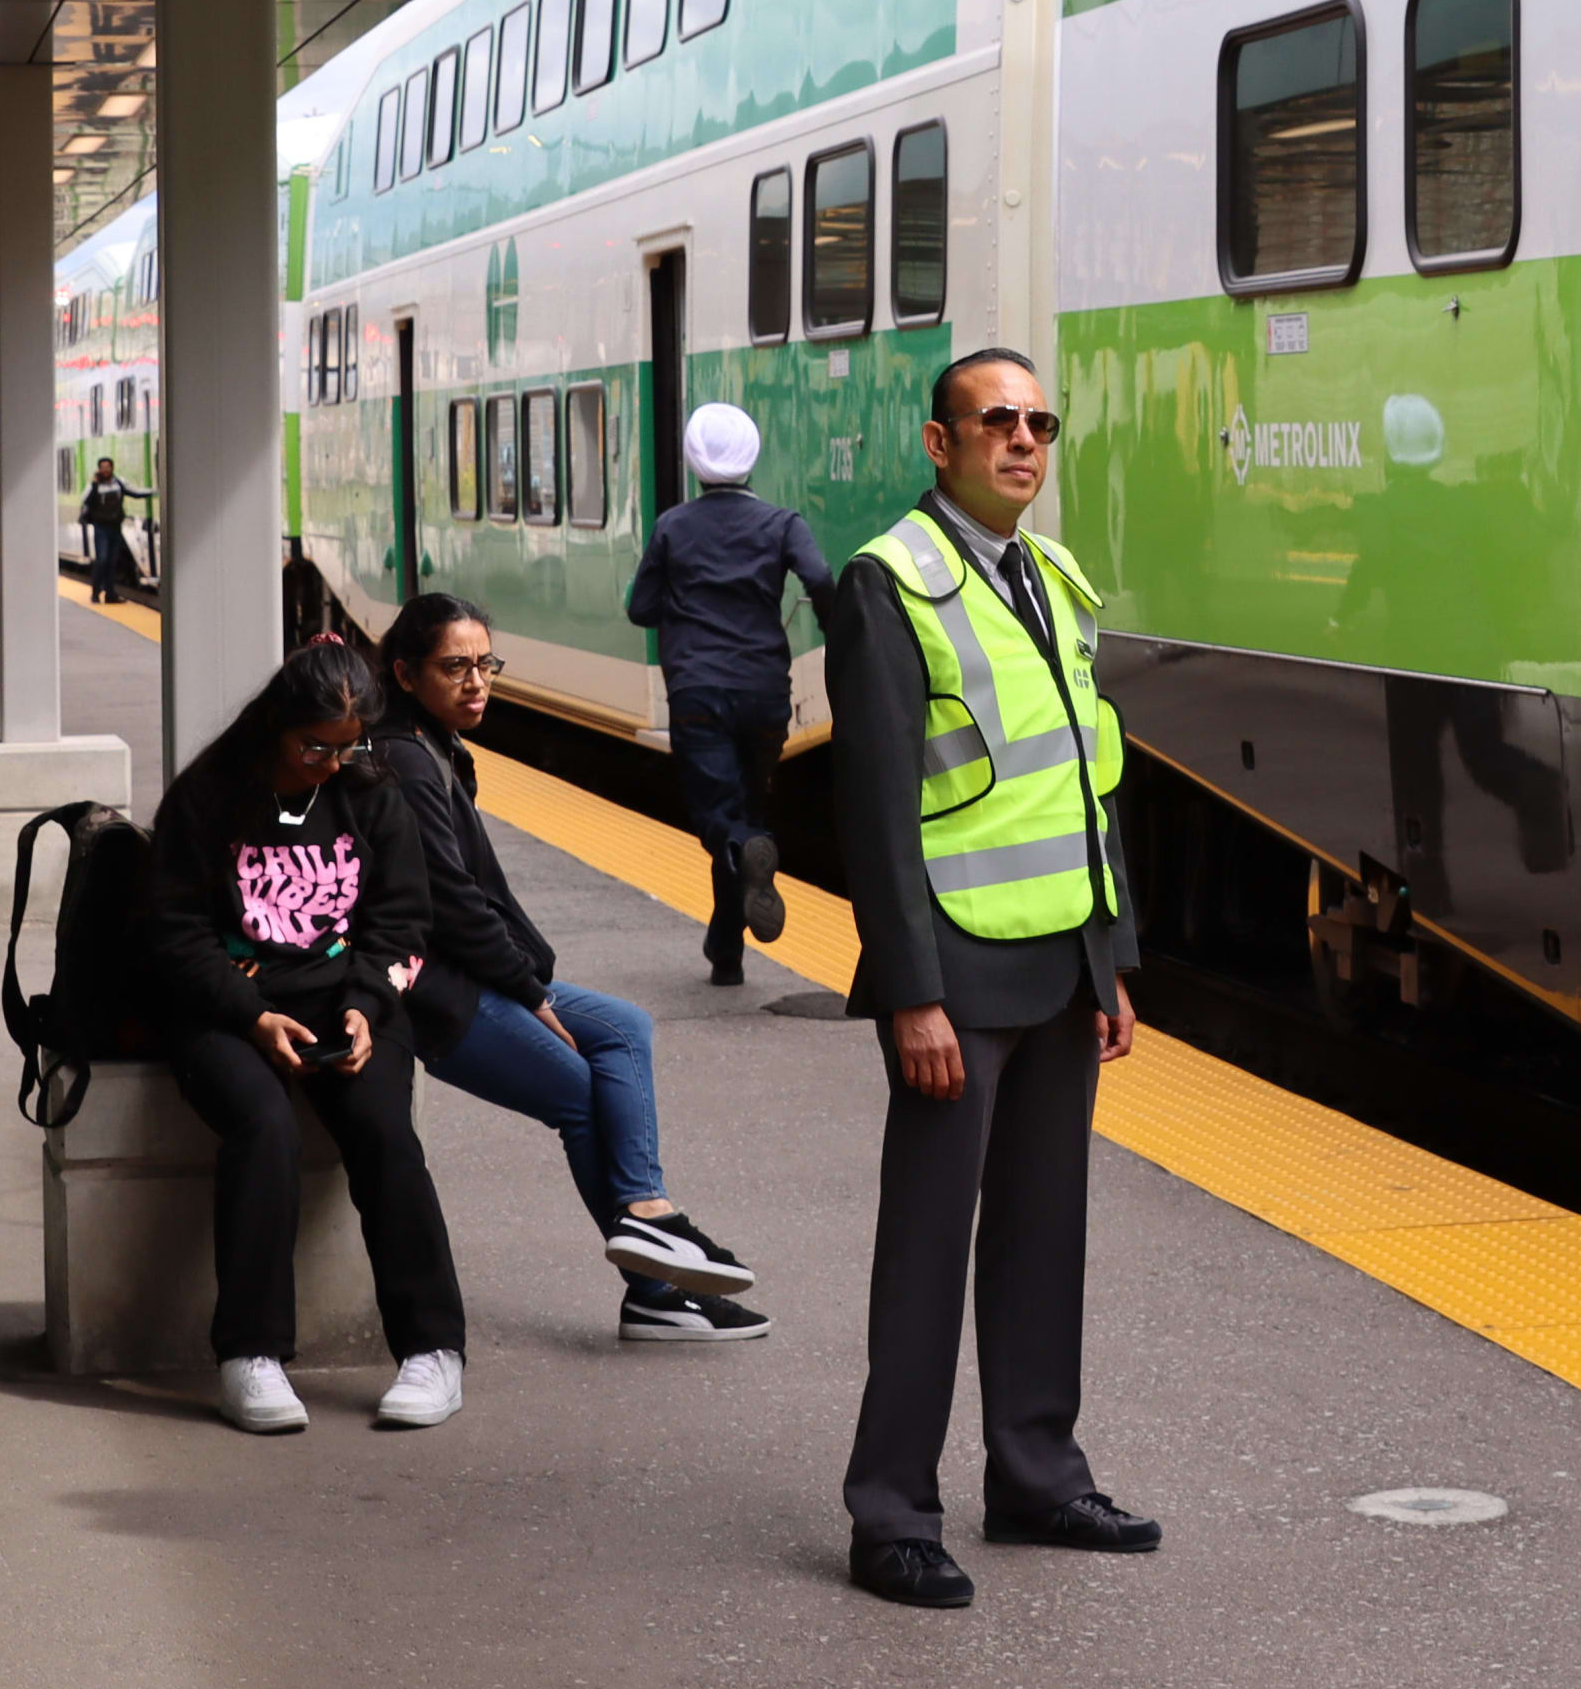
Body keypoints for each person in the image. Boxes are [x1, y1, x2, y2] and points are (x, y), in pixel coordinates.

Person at [826, 347, 1152, 1611]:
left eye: (1039, 422)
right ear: (939, 443)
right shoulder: (887, 583)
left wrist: (1110, 959)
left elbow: (1088, 781)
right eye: (996, 422)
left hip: (1059, 961)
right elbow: (874, 814)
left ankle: (1034, 1475)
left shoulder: (1052, 576)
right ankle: (891, 1512)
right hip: (956, 973)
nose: (1023, 440)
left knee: (1041, 1237)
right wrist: (911, 993)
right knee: (926, 1249)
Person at [371, 591, 773, 1343]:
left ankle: (649, 1224)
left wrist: (528, 979)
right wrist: (530, 991)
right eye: (453, 667)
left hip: (478, 973)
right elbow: (451, 903)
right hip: (437, 993)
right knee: (581, 1089)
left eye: (484, 664)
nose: (476, 682)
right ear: (404, 673)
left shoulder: (435, 747)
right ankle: (655, 1282)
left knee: (625, 1028)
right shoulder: (404, 762)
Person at [140, 637, 469, 1435]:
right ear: (274, 727)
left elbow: (401, 922)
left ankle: (433, 1350)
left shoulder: (368, 790)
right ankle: (250, 1355)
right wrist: (250, 1016)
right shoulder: (211, 795)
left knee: (385, 1130)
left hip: (345, 1004)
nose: (330, 762)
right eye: (313, 746)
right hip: (229, 1008)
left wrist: (367, 1006)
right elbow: (171, 932)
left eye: (347, 746)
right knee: (262, 1124)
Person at [626, 403, 830, 985]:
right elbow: (818, 578)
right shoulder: (783, 523)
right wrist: (840, 629)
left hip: (697, 689)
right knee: (747, 805)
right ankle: (726, 953)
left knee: (720, 818)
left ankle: (749, 848)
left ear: (693, 461)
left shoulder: (672, 526)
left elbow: (640, 607)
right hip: (765, 689)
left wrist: (684, 607)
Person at [80, 455, 136, 604]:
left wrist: (156, 491)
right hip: (101, 528)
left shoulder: (118, 483)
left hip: (115, 527)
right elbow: (84, 500)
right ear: (99, 469)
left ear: (112, 468)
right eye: (102, 467)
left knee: (112, 562)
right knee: (102, 560)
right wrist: (94, 485)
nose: (105, 470)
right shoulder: (93, 485)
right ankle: (95, 593)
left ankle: (110, 595)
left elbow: (134, 492)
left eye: (108, 467)